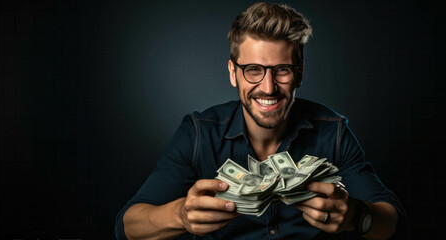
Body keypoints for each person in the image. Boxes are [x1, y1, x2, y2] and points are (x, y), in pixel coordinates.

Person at [115, 2, 405, 240]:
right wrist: (179, 215)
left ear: (299, 74)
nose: (268, 88)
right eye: (253, 69)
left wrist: (357, 217)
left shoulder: (334, 132)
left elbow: (393, 220)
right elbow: (127, 225)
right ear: (233, 72)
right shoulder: (198, 134)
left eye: (282, 70)